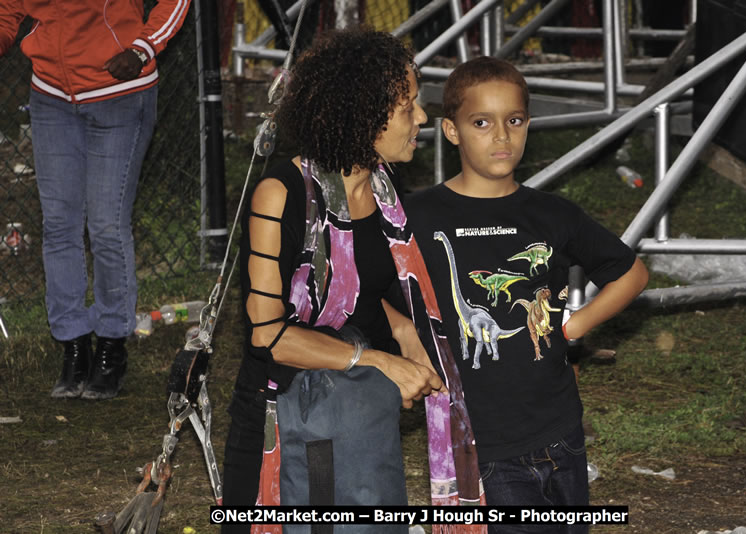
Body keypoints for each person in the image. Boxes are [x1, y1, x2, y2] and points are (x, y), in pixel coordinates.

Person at [222, 28, 457, 534]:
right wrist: (379, 361)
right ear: (363, 115)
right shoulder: (280, 195)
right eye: (408, 106)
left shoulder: (385, 195)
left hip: (356, 414)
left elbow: (357, 289)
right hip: (281, 413)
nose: (421, 117)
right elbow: (270, 334)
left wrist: (406, 332)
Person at [406, 56, 649, 534]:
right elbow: (375, 292)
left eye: (513, 121)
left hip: (561, 433)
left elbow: (632, 273)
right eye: (482, 122)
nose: (501, 136)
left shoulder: (551, 214)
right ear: (451, 131)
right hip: (484, 445)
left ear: (528, 125)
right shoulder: (418, 217)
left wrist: (574, 325)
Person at [0, 1, 190, 400]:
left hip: (120, 93)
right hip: (51, 96)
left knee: (105, 226)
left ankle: (111, 345)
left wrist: (143, 47)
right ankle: (73, 346)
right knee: (59, 226)